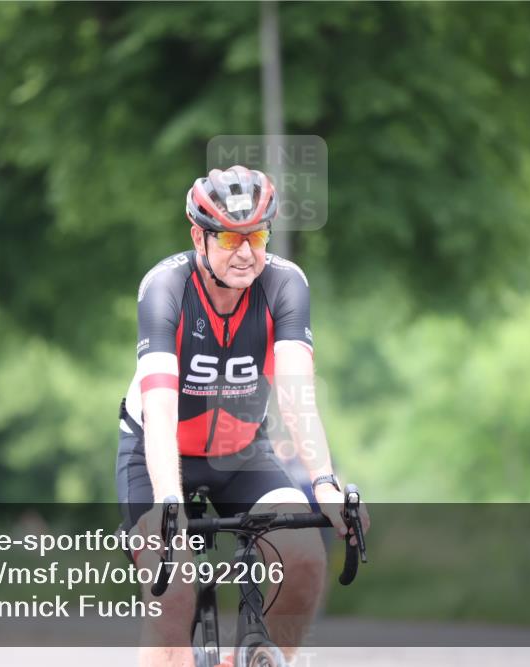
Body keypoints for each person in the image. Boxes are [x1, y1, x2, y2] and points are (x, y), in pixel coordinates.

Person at [116, 165, 368, 667]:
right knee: (175, 595)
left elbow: (297, 396)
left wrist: (323, 483)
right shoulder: (165, 286)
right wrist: (169, 499)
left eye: (257, 235)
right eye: (231, 237)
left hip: (243, 454)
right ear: (199, 236)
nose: (246, 252)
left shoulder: (284, 284)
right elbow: (161, 408)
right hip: (157, 454)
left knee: (303, 561)